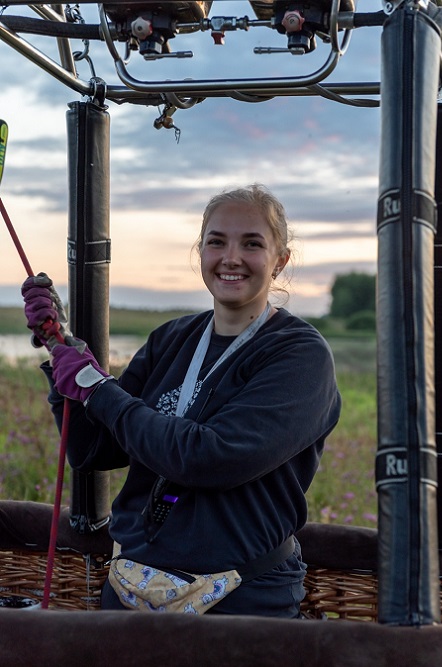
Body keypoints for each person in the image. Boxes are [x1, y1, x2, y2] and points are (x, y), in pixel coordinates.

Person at [22, 184, 341, 617]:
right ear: (201, 252)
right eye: (217, 242)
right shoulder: (171, 340)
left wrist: (98, 388)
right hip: (132, 587)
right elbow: (92, 449)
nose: (231, 257)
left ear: (280, 260)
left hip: (242, 601)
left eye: (252, 244)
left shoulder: (299, 355)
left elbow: (209, 457)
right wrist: (60, 348)